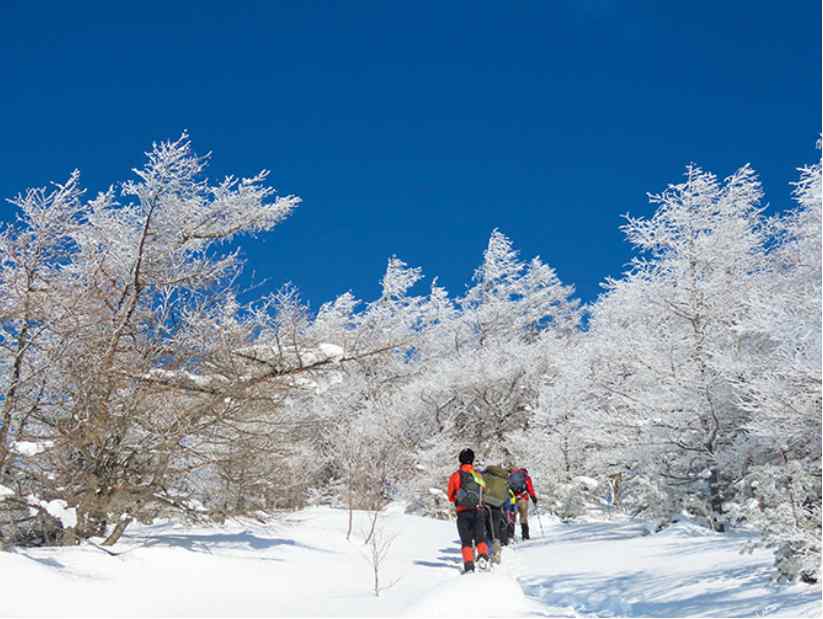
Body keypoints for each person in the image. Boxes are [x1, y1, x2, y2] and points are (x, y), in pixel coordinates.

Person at [447, 448, 490, 573]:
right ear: (472, 460)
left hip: (463, 512)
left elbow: (450, 496)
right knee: (480, 538)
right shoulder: (478, 475)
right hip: (478, 510)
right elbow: (484, 491)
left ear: (460, 460)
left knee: (466, 540)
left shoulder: (456, 476)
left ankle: (469, 565)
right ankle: (483, 557)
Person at [479, 464, 511, 563]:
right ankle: (496, 551)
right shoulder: (504, 480)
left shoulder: (484, 476)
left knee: (483, 528)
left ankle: (483, 552)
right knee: (495, 529)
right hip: (497, 506)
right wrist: (506, 509)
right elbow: (507, 497)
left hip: (485, 505)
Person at [508, 466, 538, 540]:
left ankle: (510, 536)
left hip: (513, 499)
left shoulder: (510, 477)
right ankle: (525, 535)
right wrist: (533, 498)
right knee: (523, 517)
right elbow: (530, 488)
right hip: (523, 499)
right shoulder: (526, 477)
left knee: (512, 517)